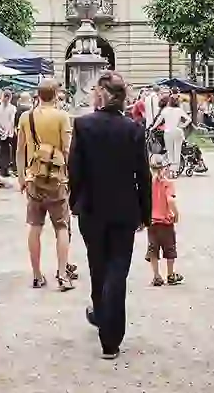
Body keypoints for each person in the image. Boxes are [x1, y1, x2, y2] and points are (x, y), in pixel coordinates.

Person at [68, 71, 152, 360]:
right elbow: (143, 174)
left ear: (102, 94)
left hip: (92, 207)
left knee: (98, 265)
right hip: (124, 208)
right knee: (118, 269)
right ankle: (111, 337)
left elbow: (74, 169)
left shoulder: (83, 125)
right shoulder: (133, 129)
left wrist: (75, 201)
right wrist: (146, 212)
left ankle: (102, 315)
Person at [16, 79, 75, 291]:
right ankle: (62, 274)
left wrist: (21, 177)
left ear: (38, 95)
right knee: (62, 227)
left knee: (35, 226)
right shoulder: (62, 117)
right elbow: (67, 149)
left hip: (34, 178)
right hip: (57, 179)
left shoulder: (26, 117)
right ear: (56, 95)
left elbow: (20, 149)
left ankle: (36, 274)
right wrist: (71, 176)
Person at [146, 154, 182, 286]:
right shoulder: (168, 183)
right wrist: (176, 214)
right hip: (166, 223)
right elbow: (170, 200)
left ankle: (156, 276)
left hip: (152, 223)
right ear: (165, 168)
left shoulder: (148, 184)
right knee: (170, 249)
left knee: (153, 250)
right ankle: (170, 274)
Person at [151, 95, 191, 175]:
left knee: (170, 152)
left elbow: (159, 120)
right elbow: (189, 119)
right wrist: (182, 126)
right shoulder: (179, 110)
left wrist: (153, 127)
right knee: (177, 151)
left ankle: (171, 170)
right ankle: (175, 171)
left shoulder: (165, 110)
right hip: (177, 131)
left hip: (168, 132)